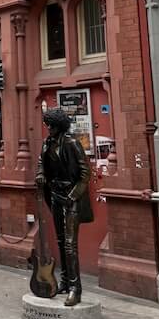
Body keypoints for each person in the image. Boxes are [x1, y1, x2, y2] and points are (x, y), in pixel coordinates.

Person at [35, 107, 93, 306]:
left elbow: (85, 173)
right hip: (55, 195)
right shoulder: (47, 143)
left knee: (70, 244)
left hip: (72, 196)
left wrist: (72, 195)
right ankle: (66, 282)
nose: (48, 128)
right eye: (47, 124)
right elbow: (41, 162)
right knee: (60, 241)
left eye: (51, 124)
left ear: (59, 125)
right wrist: (40, 174)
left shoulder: (72, 143)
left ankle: (76, 289)